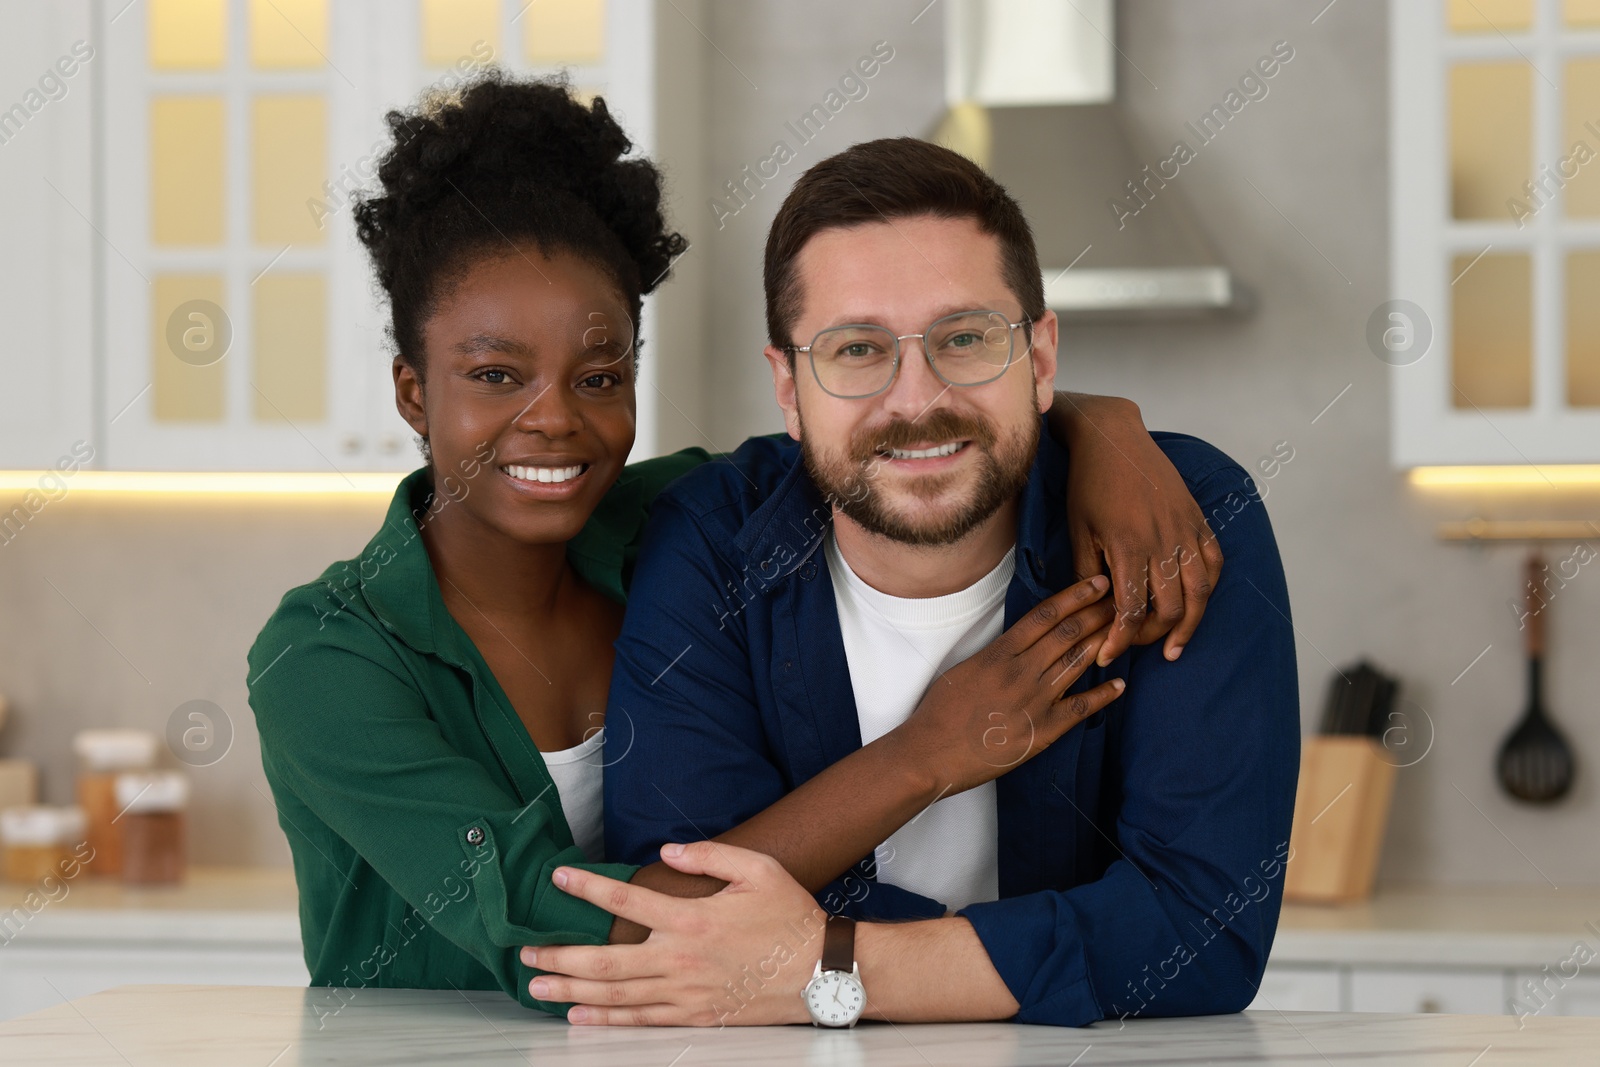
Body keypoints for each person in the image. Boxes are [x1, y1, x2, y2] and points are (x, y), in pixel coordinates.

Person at [246, 75, 1223, 1022]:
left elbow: (877, 431)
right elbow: (575, 939)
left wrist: (1102, 428)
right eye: (496, 374)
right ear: (413, 390)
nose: (553, 422)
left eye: (598, 377)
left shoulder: (677, 520)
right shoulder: (325, 659)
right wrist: (925, 754)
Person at [527, 137, 1300, 1028]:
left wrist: (829, 964)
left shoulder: (1181, 520)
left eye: (965, 338)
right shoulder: (710, 543)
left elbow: (1205, 936)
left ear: (1042, 358)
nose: (916, 398)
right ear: (787, 384)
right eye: (857, 350)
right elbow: (677, 910)